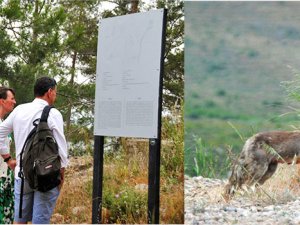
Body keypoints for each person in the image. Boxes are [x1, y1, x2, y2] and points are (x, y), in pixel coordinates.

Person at [0, 77, 68, 224]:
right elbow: (61, 148)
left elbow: (0, 133)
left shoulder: (19, 110)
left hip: (22, 174)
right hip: (47, 175)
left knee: (20, 221)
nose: (55, 95)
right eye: (55, 92)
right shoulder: (53, 114)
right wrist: (62, 173)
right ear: (49, 92)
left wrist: (8, 159)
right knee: (40, 222)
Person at [0, 86, 17, 224]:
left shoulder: (3, 123)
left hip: (5, 176)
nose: (14, 102)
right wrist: (9, 160)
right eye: (12, 99)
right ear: (2, 101)